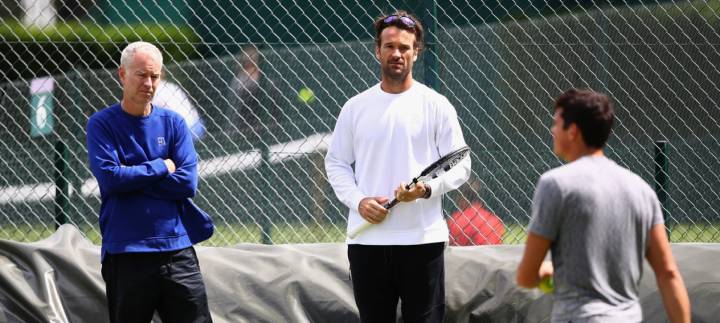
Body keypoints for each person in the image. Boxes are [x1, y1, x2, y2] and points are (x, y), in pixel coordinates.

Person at [325, 11, 471, 323]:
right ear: (377, 50)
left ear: (416, 52)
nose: (397, 53)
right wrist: (360, 201)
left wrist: (426, 189)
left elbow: (461, 165)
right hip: (367, 243)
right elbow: (336, 162)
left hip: (423, 242)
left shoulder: (437, 105)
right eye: (389, 46)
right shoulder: (354, 108)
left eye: (405, 47)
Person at [516, 89, 690, 323]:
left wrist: (549, 273)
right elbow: (668, 272)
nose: (552, 130)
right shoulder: (642, 190)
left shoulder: (555, 185)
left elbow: (526, 276)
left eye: (556, 122)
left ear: (573, 131)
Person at [86, 41, 214, 323]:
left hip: (177, 250)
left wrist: (131, 176)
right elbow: (110, 178)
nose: (148, 83)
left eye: (154, 76)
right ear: (122, 75)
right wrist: (160, 166)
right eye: (141, 75)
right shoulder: (101, 124)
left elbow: (187, 183)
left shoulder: (174, 123)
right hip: (126, 251)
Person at [447, 180, 504, 246]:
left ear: (463, 197)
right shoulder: (494, 220)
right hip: (493, 255)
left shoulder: (456, 220)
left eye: (457, 196)